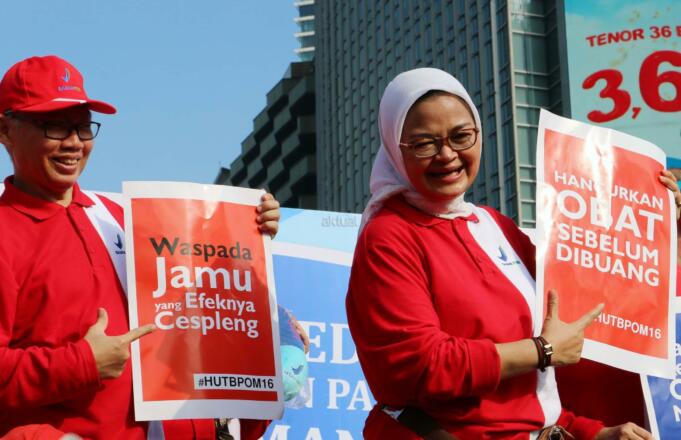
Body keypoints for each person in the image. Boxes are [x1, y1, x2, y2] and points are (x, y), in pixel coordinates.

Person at [345, 68, 678, 439]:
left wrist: (661, 229)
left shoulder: (495, 226)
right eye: (424, 143)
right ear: (394, 148)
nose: (447, 155)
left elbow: (535, 386)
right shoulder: (388, 236)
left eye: (461, 136)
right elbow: (421, 366)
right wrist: (543, 349)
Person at [0, 55, 280, 440]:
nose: (74, 144)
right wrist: (82, 363)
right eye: (54, 127)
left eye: (83, 128)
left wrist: (250, 236)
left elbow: (198, 315)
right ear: (5, 130)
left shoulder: (123, 217)